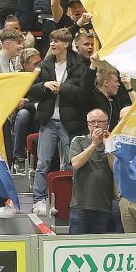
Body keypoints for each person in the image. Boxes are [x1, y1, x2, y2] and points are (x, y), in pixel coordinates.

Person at [27, 28, 87, 216]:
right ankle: (39, 199)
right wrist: (44, 85)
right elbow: (30, 90)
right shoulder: (44, 65)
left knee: (71, 164)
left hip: (70, 123)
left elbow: (82, 94)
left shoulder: (79, 65)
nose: (52, 44)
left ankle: (70, 199)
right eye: (51, 40)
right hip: (48, 121)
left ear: (66, 44)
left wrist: (62, 88)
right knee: (42, 162)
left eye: (57, 41)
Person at [68, 109, 114, 234]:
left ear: (107, 124)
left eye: (100, 122)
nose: (96, 125)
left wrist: (108, 146)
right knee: (76, 245)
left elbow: (115, 168)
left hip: (104, 205)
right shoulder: (78, 140)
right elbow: (76, 164)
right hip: (80, 205)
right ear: (88, 124)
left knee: (99, 248)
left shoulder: (112, 143)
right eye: (92, 122)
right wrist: (94, 144)